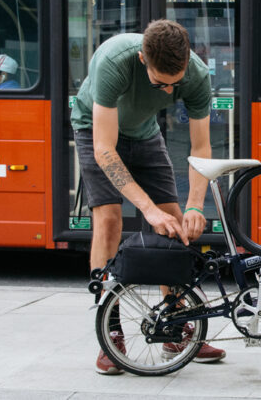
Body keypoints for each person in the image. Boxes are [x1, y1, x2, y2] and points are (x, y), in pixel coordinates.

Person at [70, 19, 226, 375]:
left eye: (176, 84)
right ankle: (110, 336)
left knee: (172, 222)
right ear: (142, 59)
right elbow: (105, 150)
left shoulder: (197, 75)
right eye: (160, 85)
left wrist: (193, 206)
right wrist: (146, 210)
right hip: (94, 132)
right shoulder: (114, 60)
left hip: (145, 134)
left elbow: (201, 148)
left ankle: (172, 326)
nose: (169, 93)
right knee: (109, 219)